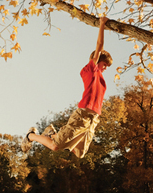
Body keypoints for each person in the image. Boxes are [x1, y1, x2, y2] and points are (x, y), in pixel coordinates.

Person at [21, 16, 113, 158]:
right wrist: (102, 25)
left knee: (79, 153)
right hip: (82, 116)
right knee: (55, 146)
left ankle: (52, 134)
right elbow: (99, 45)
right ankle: (31, 136)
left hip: (93, 120)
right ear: (96, 59)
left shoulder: (101, 79)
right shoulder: (90, 69)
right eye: (105, 64)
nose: (106, 67)